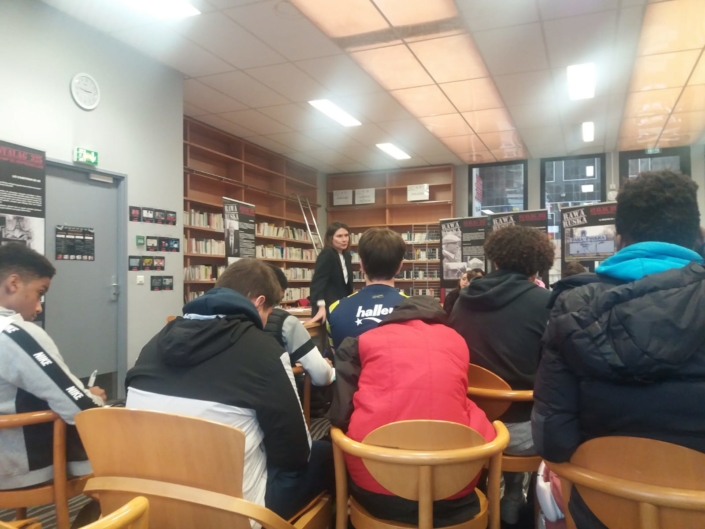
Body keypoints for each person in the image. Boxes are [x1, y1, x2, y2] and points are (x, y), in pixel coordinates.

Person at [532, 170, 705, 529]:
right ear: (697, 237)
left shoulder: (571, 306)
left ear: (619, 237)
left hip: (600, 507)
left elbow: (552, 440)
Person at [126, 258, 331, 520]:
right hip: (232, 512)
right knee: (325, 454)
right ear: (259, 303)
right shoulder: (263, 351)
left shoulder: (152, 344)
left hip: (148, 501)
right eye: (269, 313)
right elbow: (296, 454)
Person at [330, 295, 496, 526]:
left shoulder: (364, 340)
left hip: (375, 485)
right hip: (452, 491)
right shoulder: (457, 340)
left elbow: (340, 415)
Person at [449, 225, 555, 525]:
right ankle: (520, 497)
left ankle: (494, 493)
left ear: (494, 260)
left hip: (469, 423)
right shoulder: (545, 303)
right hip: (524, 433)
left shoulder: (462, 300)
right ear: (537, 266)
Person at [0, 243, 105, 490]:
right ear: (14, 283)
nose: (39, 307)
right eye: (39, 293)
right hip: (16, 465)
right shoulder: (14, 334)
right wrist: (93, 397)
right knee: (120, 439)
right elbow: (80, 408)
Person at [326, 228, 407, 350]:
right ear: (400, 267)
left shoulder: (335, 309)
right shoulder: (417, 308)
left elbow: (335, 354)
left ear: (362, 265)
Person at [264, 264, 334, 386]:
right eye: (277, 301)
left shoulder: (231, 322)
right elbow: (321, 377)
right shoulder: (285, 323)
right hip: (282, 390)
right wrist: (324, 367)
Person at [310, 222, 353, 324]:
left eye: (346, 235)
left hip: (342, 306)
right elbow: (318, 283)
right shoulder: (327, 254)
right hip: (327, 307)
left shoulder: (347, 256)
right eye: (339, 236)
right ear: (330, 238)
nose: (344, 239)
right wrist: (321, 306)